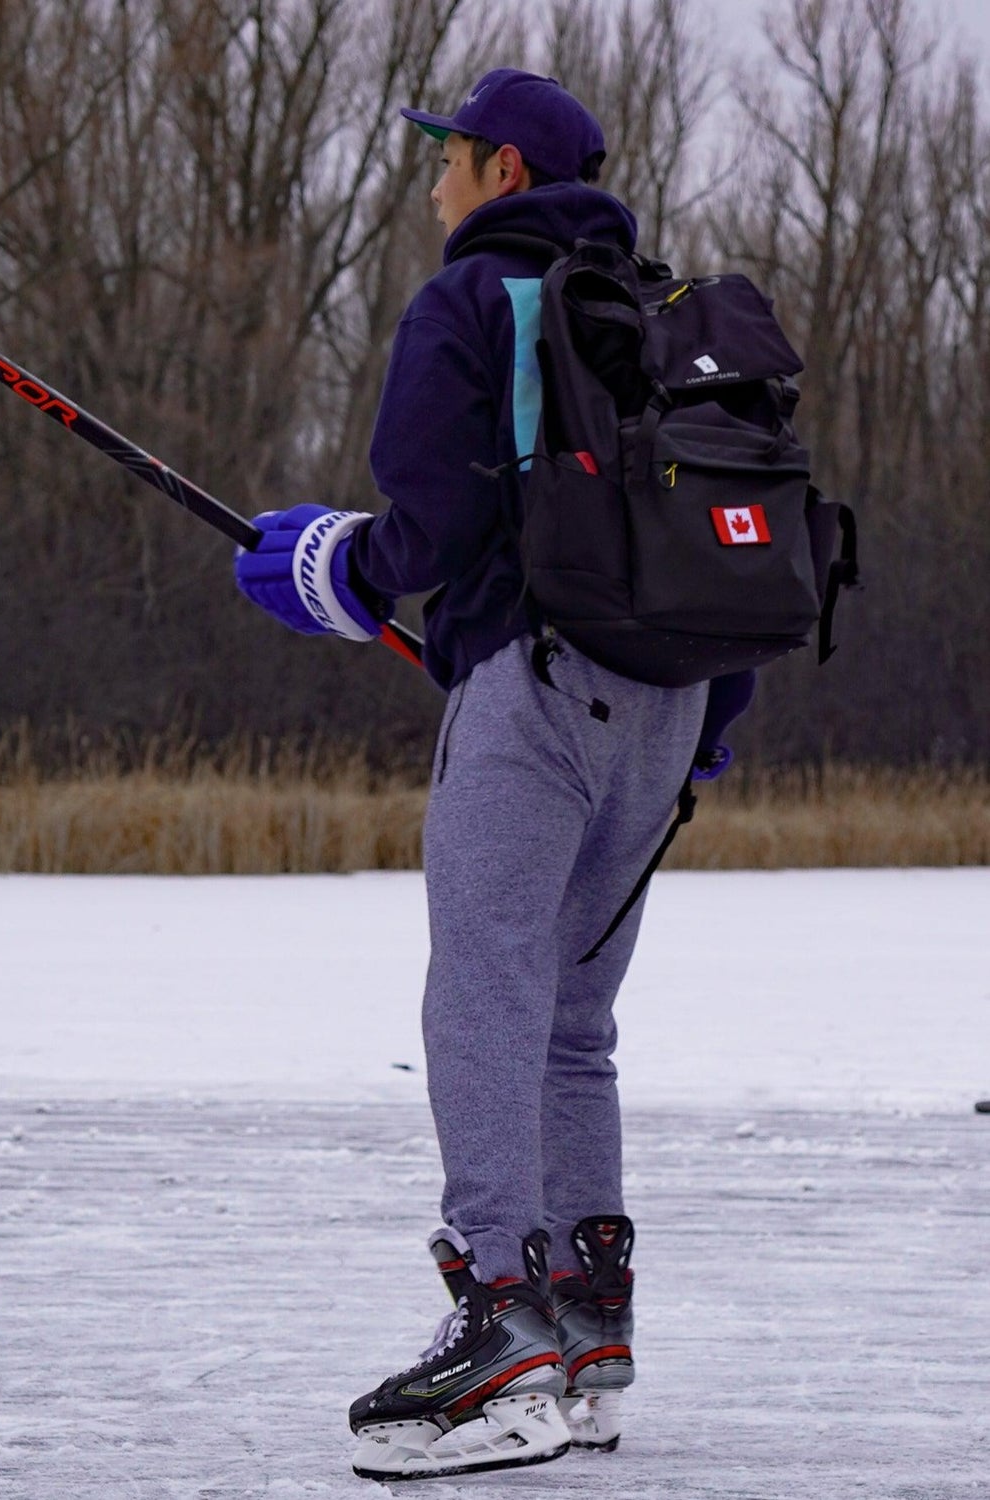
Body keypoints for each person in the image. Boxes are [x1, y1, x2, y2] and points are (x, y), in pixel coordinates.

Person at [233, 69, 754, 1481]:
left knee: (483, 991)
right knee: (572, 1020)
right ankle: (589, 1323)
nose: (435, 185)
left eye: (448, 160)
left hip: (533, 693)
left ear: (505, 172)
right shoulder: (652, 315)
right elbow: (717, 522)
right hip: (667, 706)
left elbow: (436, 512)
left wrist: (330, 569)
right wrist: (693, 727)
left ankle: (502, 1324)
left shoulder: (472, 299)